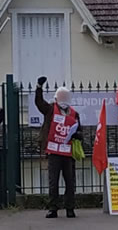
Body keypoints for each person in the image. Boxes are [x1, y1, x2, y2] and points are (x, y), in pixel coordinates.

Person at [34, 76, 82, 219]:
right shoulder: (50, 110)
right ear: (56, 98)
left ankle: (70, 208)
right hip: (54, 151)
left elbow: (80, 130)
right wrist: (38, 87)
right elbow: (39, 102)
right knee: (53, 182)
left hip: (68, 152)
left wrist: (76, 135)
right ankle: (53, 208)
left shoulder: (74, 113)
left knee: (70, 181)